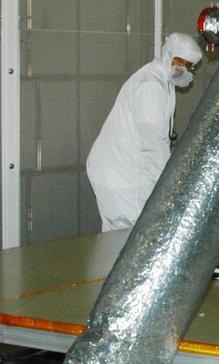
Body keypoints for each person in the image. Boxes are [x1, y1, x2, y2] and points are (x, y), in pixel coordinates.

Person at [87, 32, 203, 231]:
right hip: (122, 174)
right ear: (168, 55)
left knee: (120, 236)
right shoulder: (151, 85)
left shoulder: (162, 80)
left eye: (188, 65)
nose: (182, 68)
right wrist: (167, 187)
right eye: (179, 61)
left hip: (123, 169)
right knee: (131, 236)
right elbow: (153, 145)